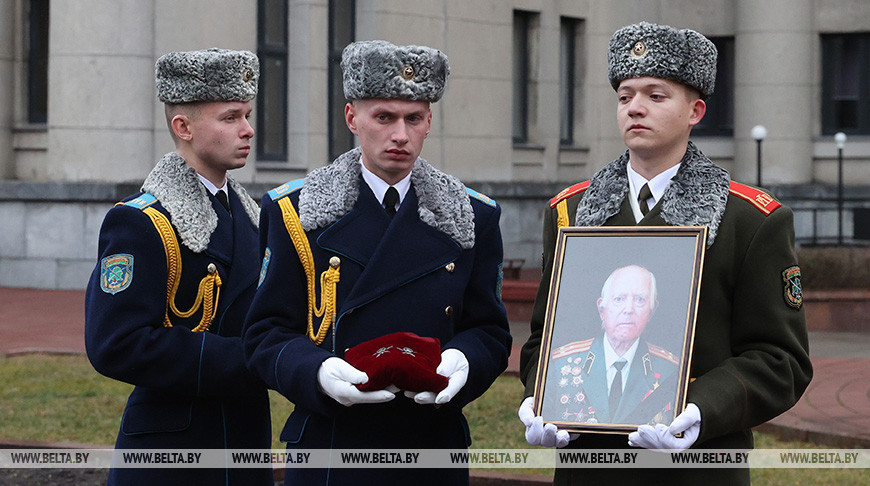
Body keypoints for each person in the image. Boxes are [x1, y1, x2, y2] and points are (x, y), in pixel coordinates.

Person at [518, 22, 812, 485]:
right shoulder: (571, 212)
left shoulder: (750, 220)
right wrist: (542, 396)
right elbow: (544, 339)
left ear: (695, 110)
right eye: (625, 96)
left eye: (656, 95)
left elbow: (780, 360)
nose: (635, 107)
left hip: (697, 466)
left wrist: (700, 409)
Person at [244, 40, 512, 485]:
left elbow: (489, 329)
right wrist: (316, 371)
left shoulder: (472, 215)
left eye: (414, 118)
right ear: (353, 117)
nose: (400, 135)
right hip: (332, 444)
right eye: (384, 117)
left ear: (430, 122)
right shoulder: (295, 212)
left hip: (431, 443)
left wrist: (465, 360)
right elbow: (265, 333)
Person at [85, 48, 272, 485]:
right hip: (169, 451)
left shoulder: (255, 218)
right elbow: (116, 343)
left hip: (244, 444)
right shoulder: (142, 221)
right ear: (183, 126)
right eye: (230, 118)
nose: (247, 130)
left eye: (247, 115)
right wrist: (252, 358)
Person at [543, 265, 678, 426]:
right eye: (619, 299)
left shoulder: (670, 369)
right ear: (602, 309)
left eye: (640, 299)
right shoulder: (562, 363)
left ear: (652, 310)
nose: (629, 309)